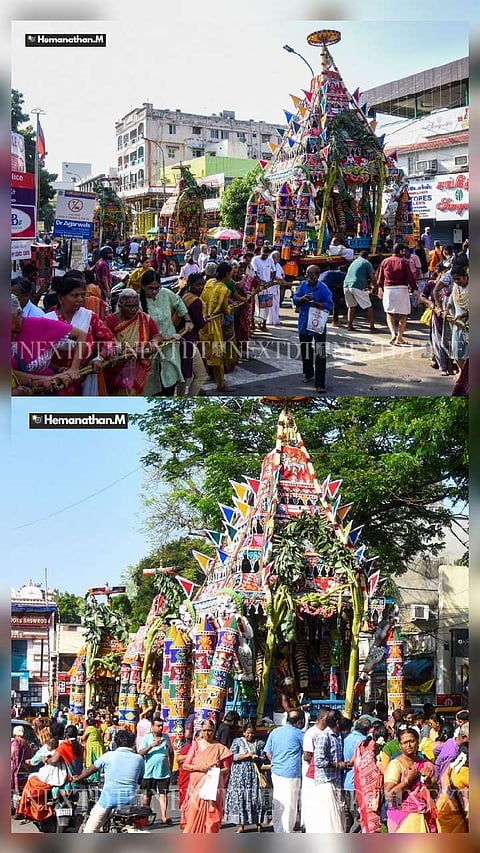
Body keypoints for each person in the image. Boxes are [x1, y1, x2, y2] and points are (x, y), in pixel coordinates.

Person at [45, 273, 116, 394]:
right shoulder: (48, 320)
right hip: (56, 381)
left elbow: (110, 341)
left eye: (83, 295)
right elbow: (38, 355)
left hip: (86, 376)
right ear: (61, 298)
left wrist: (100, 357)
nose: (80, 299)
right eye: (75, 296)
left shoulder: (90, 317)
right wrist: (58, 369)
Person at [73, 728, 145, 833]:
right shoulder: (139, 759)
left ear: (116, 743)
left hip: (108, 800)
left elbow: (92, 769)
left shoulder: (108, 756)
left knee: (89, 830)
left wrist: (78, 778)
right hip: (130, 801)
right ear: (131, 743)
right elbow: (140, 779)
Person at [11, 293, 84, 393]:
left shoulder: (39, 325)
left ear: (19, 313)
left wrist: (74, 368)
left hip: (48, 389)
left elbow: (80, 335)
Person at [139, 269, 193, 395]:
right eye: (150, 288)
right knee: (152, 385)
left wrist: (188, 320)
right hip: (150, 349)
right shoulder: (137, 302)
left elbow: (179, 303)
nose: (154, 291)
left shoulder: (166, 293)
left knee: (170, 380)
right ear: (143, 287)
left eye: (157, 288)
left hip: (170, 346)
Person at [16, 724, 83, 823]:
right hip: (72, 776)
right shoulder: (78, 746)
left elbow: (49, 760)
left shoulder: (63, 745)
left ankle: (26, 810)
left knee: (31, 781)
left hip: (58, 776)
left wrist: (45, 760)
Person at [104, 288, 162, 395]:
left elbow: (157, 335)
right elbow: (107, 341)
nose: (134, 309)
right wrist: (122, 351)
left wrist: (154, 343)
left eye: (136, 306)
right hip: (118, 369)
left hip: (140, 367)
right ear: (120, 306)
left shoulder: (143, 317)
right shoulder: (109, 321)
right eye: (130, 306)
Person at [181, 718, 233, 833]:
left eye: (209, 730)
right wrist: (200, 768)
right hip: (196, 787)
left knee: (211, 818)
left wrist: (215, 771)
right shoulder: (195, 745)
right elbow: (185, 765)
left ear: (214, 731)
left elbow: (226, 769)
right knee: (194, 814)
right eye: (204, 730)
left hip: (212, 787)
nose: (207, 733)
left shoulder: (220, 748)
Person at [383, 727, 437, 833]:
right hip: (402, 817)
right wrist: (408, 781)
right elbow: (389, 796)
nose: (409, 745)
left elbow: (435, 795)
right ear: (400, 745)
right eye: (405, 742)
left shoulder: (426, 765)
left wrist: (429, 784)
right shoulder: (396, 765)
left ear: (417, 742)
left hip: (424, 816)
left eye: (412, 741)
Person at [292, 264, 333, 392]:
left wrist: (316, 303)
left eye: (313, 275)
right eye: (308, 275)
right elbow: (295, 299)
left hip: (318, 324)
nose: (310, 278)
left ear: (317, 275)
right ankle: (308, 373)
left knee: (320, 353)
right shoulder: (303, 285)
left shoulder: (323, 288)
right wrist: (302, 299)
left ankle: (320, 383)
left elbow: (329, 305)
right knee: (305, 349)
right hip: (304, 324)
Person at [306, 709, 347, 833]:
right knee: (328, 818)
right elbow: (319, 761)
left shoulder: (339, 736)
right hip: (325, 781)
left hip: (336, 780)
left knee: (338, 814)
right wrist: (338, 765)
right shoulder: (324, 736)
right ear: (337, 722)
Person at [264, 709, 305, 833]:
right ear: (300, 721)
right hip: (291, 772)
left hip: (276, 771)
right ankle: (286, 830)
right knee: (290, 803)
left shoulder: (275, 732)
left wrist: (276, 762)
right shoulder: (299, 734)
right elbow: (308, 752)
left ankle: (279, 828)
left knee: (279, 800)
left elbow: (268, 752)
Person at [224, 722, 268, 832]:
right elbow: (231, 756)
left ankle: (259, 823)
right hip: (239, 776)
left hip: (254, 775)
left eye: (252, 733)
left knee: (256, 799)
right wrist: (246, 756)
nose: (250, 735)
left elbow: (263, 757)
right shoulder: (237, 742)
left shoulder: (260, 743)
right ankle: (241, 826)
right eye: (248, 733)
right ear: (243, 733)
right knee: (241, 799)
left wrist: (257, 758)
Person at [199, 261, 232, 392]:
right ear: (227, 274)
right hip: (214, 325)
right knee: (217, 355)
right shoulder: (223, 289)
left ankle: (200, 383)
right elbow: (226, 310)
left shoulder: (208, 283)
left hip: (203, 323)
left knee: (203, 354)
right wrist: (231, 308)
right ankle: (221, 384)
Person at [353, 721, 390, 834]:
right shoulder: (376, 753)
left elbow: (353, 763)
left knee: (368, 820)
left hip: (363, 789)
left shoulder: (361, 745)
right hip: (374, 792)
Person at [376, 243, 417, 345]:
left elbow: (380, 277)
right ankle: (400, 337)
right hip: (402, 289)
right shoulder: (404, 262)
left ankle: (393, 334)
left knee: (389, 313)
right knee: (404, 314)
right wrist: (415, 289)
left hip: (388, 289)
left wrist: (380, 288)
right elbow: (410, 277)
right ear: (400, 251)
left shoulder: (385, 261)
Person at [175, 272, 209, 396]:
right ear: (190, 284)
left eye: (202, 285)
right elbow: (199, 323)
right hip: (189, 340)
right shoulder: (195, 301)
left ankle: (180, 399)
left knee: (183, 376)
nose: (200, 288)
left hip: (181, 339)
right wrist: (206, 319)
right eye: (198, 285)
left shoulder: (184, 295)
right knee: (201, 375)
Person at [138, 715, 174, 824]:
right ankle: (145, 816)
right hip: (149, 773)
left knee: (163, 794)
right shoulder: (147, 738)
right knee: (147, 795)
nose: (160, 728)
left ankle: (164, 816)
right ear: (152, 727)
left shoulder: (166, 737)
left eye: (162, 726)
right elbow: (140, 753)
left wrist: (171, 766)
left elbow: (171, 752)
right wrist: (151, 746)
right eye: (158, 726)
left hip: (163, 772)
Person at [343, 715, 372, 832]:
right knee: (358, 816)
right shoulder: (363, 742)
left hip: (345, 781)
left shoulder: (346, 738)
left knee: (348, 816)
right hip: (357, 783)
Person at [301, 707, 328, 830]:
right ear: (322, 717)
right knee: (310, 801)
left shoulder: (329, 731)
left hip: (324, 774)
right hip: (311, 774)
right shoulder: (310, 733)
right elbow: (307, 756)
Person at [342, 250, 377, 331]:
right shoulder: (366, 263)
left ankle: (349, 326)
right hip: (356, 286)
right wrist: (375, 288)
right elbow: (373, 278)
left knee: (351, 306)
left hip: (346, 285)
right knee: (369, 306)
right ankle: (372, 326)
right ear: (367, 256)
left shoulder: (354, 262)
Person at [446, 265, 469, 372]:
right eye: (454, 280)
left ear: (465, 276)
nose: (456, 282)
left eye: (458, 279)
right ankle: (462, 373)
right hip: (458, 325)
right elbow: (450, 301)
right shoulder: (455, 287)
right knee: (457, 353)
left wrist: (465, 314)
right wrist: (447, 309)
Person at [434, 722, 468, 788]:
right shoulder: (453, 754)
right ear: (464, 737)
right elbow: (445, 775)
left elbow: (436, 750)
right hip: (446, 787)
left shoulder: (450, 741)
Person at [251, 244, 276, 330]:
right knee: (258, 305)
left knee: (267, 305)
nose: (265, 257)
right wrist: (260, 283)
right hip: (259, 286)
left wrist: (271, 281)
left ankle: (264, 324)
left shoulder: (270, 260)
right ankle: (256, 323)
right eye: (263, 255)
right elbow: (254, 273)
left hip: (268, 286)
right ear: (260, 253)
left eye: (266, 255)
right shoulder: (255, 260)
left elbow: (274, 270)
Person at [79, 710, 105, 782]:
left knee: (92, 762)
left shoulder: (89, 728)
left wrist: (78, 737)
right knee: (97, 762)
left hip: (92, 747)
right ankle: (96, 778)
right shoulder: (97, 729)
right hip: (98, 747)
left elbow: (83, 737)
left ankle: (92, 778)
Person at [177, 722, 194, 827]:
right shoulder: (188, 747)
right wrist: (191, 755)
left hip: (198, 778)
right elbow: (178, 759)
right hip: (186, 776)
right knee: (185, 798)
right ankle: (184, 821)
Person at [11, 726, 32, 802]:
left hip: (15, 772)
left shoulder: (15, 743)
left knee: (15, 794)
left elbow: (12, 755)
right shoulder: (26, 743)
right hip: (25, 771)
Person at [268, 250, 284, 326]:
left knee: (276, 303)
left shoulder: (278, 265)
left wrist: (282, 278)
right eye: (277, 257)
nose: (279, 259)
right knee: (271, 304)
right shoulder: (269, 264)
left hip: (277, 286)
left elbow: (282, 273)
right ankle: (270, 320)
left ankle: (275, 320)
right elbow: (270, 274)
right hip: (271, 287)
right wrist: (278, 279)